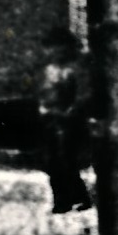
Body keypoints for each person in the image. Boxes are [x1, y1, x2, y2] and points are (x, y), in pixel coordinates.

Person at [37, 27, 94, 215]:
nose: (52, 52)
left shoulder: (76, 68)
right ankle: (60, 199)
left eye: (56, 47)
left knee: (67, 160)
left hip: (70, 120)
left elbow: (83, 95)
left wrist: (70, 111)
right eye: (49, 48)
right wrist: (43, 108)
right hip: (50, 120)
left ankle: (79, 197)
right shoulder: (49, 70)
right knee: (51, 161)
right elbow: (44, 93)